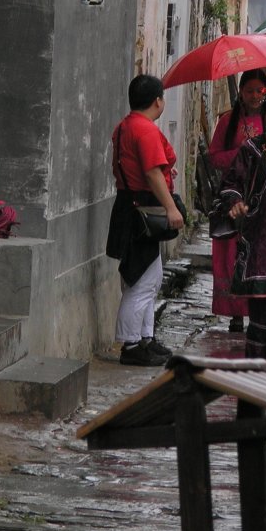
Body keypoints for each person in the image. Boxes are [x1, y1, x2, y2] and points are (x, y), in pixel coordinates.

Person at [107, 74, 185, 366]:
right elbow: (152, 173)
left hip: (129, 204)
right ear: (158, 101)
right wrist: (171, 208)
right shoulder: (146, 130)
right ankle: (130, 344)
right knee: (140, 283)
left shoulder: (124, 127)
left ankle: (145, 338)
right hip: (142, 206)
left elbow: (132, 167)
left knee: (148, 278)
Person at [219, 83, 266, 358]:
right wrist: (236, 202)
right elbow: (231, 183)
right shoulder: (251, 148)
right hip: (260, 239)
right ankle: (256, 369)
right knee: (261, 318)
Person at [208, 69, 266, 331]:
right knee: (232, 254)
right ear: (241, 93)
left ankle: (259, 310)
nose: (255, 96)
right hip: (233, 196)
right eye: (249, 91)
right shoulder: (227, 122)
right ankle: (235, 313)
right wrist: (241, 154)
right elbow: (214, 156)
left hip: (262, 195)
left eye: (259, 91)